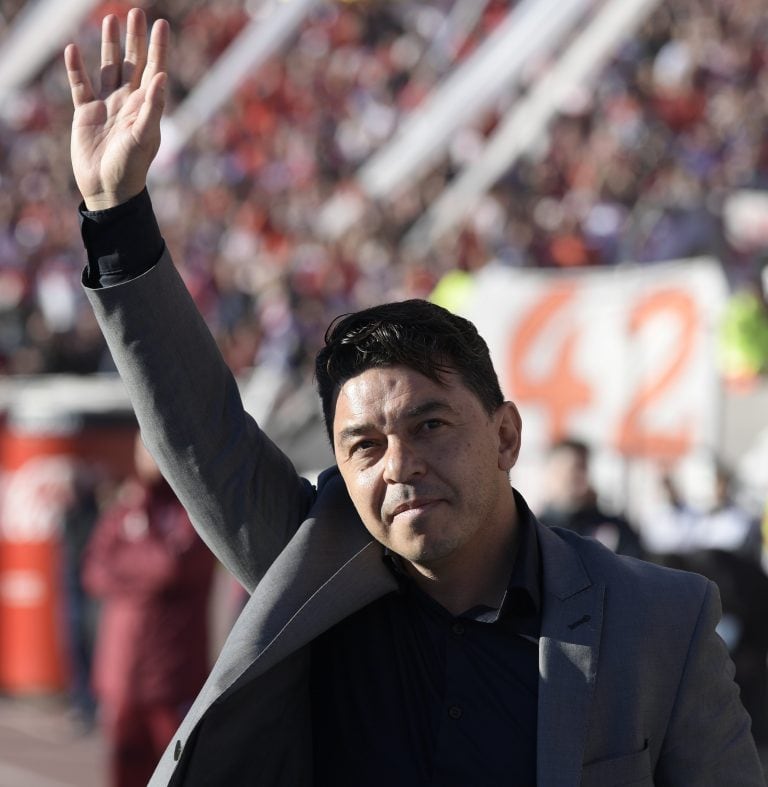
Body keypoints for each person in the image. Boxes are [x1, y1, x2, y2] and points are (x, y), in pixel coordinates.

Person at [64, 9, 764, 785]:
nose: (399, 464)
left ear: (506, 436)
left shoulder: (659, 621)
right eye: (364, 444)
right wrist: (117, 215)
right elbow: (202, 430)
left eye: (430, 423)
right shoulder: (312, 576)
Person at [82, 434, 216, 787]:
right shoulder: (125, 508)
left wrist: (128, 562)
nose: (151, 458)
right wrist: (145, 566)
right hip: (123, 675)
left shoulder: (197, 509)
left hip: (174, 678)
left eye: (158, 447)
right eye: (145, 448)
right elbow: (95, 571)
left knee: (180, 775)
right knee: (124, 772)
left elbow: (173, 567)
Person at [537, 438, 645, 558]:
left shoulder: (613, 528)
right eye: (570, 469)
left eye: (583, 467)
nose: (578, 476)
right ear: (550, 473)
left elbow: (634, 567)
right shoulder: (534, 530)